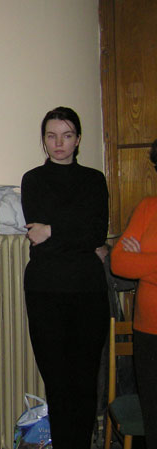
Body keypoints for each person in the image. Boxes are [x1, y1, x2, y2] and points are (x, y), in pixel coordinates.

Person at [21, 106, 109, 449]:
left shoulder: (94, 179)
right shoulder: (33, 179)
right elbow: (38, 234)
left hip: (88, 292)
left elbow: (96, 232)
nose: (59, 143)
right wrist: (75, 231)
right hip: (45, 292)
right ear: (43, 140)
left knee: (85, 384)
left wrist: (53, 229)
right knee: (57, 385)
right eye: (52, 136)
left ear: (78, 139)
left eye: (67, 135)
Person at [111, 138, 157, 449]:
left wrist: (143, 260)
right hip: (147, 332)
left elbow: (133, 263)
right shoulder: (147, 208)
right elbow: (119, 262)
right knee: (153, 418)